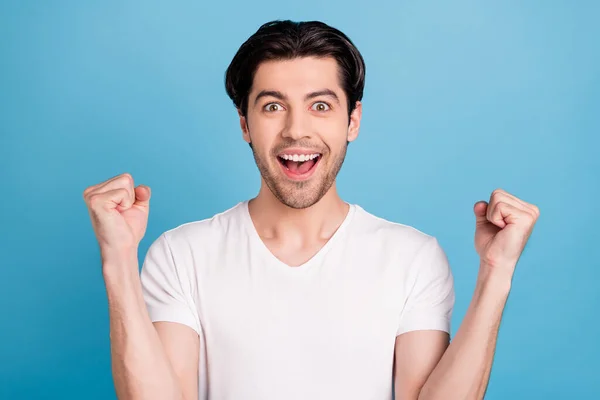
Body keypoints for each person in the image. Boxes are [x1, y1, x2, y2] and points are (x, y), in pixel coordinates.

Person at [83, 20, 539, 400]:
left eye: (320, 105)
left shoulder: (412, 257)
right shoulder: (182, 253)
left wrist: (497, 272)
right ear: (245, 123)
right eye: (272, 106)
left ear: (352, 122)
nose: (296, 130)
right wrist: (118, 259)